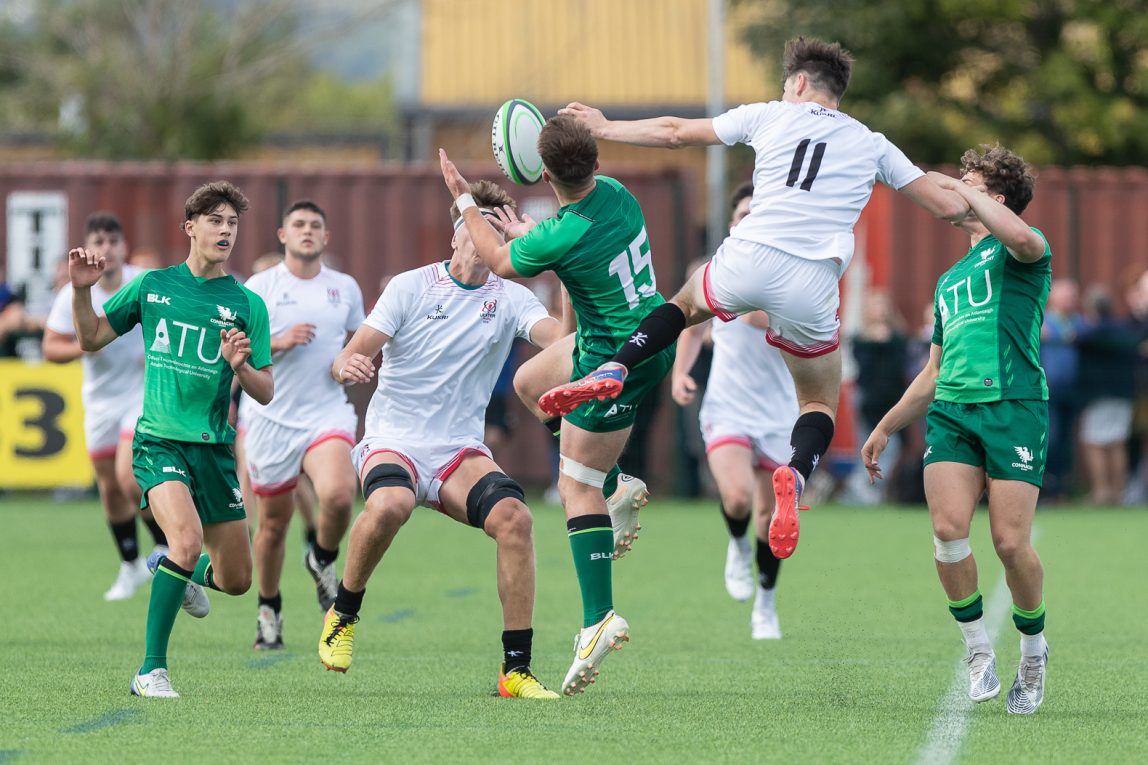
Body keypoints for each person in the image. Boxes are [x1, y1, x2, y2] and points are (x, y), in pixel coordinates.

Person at [538, 37, 970, 561]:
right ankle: (795, 471)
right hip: (812, 280)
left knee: (682, 306)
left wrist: (605, 127)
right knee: (817, 402)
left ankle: (616, 365)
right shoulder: (872, 143)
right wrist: (987, 202)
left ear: (799, 83)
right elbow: (944, 203)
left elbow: (676, 132)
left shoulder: (770, 115)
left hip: (752, 253)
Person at [440, 115, 674, 696]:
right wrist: (526, 233)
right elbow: (556, 243)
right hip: (643, 333)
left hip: (614, 361)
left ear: (542, 173)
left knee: (575, 488)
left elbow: (498, 261)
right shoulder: (617, 195)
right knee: (529, 382)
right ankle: (617, 485)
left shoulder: (560, 231)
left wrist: (465, 198)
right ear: (596, 161)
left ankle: (599, 618)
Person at [318, 180, 566, 700]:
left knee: (516, 520)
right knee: (389, 504)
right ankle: (343, 613)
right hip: (395, 439)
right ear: (456, 238)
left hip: (460, 450)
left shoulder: (512, 298)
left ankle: (515, 671)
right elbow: (349, 354)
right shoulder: (412, 286)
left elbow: (564, 340)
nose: (485, 241)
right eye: (477, 230)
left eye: (496, 233)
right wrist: (348, 364)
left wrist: (563, 262)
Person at [861, 145, 1052, 715]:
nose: (950, 191)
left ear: (993, 198)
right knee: (947, 529)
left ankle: (1034, 651)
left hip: (1014, 407)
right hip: (952, 412)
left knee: (1010, 543)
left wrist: (962, 189)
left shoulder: (1027, 249)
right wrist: (888, 425)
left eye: (967, 183)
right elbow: (934, 372)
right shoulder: (949, 280)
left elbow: (1019, 238)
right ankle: (976, 651)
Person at [70, 181, 273, 699]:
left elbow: (266, 391)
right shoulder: (153, 286)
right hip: (158, 441)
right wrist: (80, 290)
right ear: (190, 227)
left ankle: (173, 571)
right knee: (183, 539)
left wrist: (241, 365)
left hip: (214, 450)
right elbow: (91, 339)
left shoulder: (247, 302)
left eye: (232, 223)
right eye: (215, 221)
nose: (226, 231)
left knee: (236, 581)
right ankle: (150, 671)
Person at [671, 181, 799, 640]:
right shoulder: (713, 272)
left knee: (772, 518)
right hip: (727, 406)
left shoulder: (789, 276)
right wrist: (681, 372)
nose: (750, 220)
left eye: (758, 214)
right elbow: (689, 322)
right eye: (743, 214)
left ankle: (766, 601)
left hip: (780, 413)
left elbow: (756, 317)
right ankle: (736, 546)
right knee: (739, 498)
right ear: (732, 223)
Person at [240, 200, 365, 650]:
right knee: (272, 526)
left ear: (326, 237)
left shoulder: (345, 288)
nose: (307, 231)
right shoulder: (260, 287)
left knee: (338, 493)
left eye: (315, 225)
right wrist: (280, 341)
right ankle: (268, 608)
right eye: (299, 225)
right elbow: (236, 350)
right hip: (271, 418)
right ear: (282, 235)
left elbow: (357, 342)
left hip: (326, 413)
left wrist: (346, 364)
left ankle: (321, 558)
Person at [42, 213, 168, 601]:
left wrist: (158, 352)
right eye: (98, 242)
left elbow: (171, 327)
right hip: (100, 400)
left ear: (123, 247)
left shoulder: (144, 283)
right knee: (110, 487)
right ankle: (130, 565)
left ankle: (165, 547)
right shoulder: (75, 293)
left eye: (113, 241)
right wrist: (88, 341)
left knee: (130, 475)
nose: (106, 249)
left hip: (142, 395)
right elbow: (51, 348)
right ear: (87, 247)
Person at [1075, 284, 1138, 506]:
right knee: (1117, 441)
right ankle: (1119, 493)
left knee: (1095, 442)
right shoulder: (1124, 329)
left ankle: (1101, 492)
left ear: (1091, 307)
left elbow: (1077, 339)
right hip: (1124, 393)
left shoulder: (1091, 332)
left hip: (1098, 395)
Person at [1039, 278, 1084, 501]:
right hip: (1049, 390)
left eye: (1072, 296)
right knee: (1051, 438)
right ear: (1052, 298)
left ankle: (1063, 487)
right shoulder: (1042, 321)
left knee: (1067, 440)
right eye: (1065, 295)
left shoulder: (1080, 322)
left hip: (1073, 390)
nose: (1070, 300)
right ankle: (1047, 487)